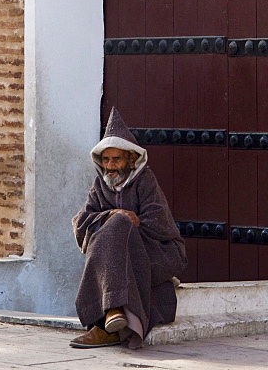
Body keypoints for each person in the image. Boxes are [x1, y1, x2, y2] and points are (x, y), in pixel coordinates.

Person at [70, 106, 187, 349]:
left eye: (116, 159)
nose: (110, 165)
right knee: (114, 221)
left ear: (130, 159)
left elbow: (162, 224)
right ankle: (113, 313)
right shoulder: (99, 185)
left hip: (155, 253)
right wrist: (112, 215)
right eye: (105, 159)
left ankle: (104, 321)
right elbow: (81, 222)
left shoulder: (145, 181)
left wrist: (134, 221)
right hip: (120, 257)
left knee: (119, 223)